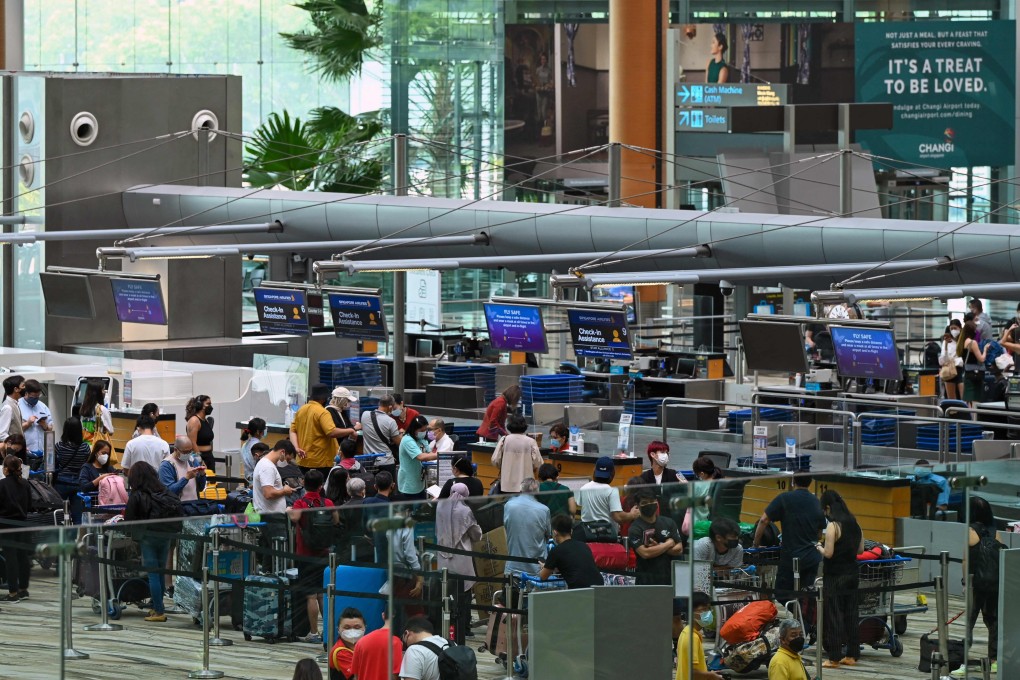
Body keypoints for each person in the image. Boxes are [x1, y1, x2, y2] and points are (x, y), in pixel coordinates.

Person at [124, 461, 182, 622]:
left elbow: (128, 519)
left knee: (153, 573)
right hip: (166, 535)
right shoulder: (165, 491)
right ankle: (159, 604)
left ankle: (158, 610)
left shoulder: (137, 495)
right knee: (161, 571)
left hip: (148, 536)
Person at [753, 475, 825, 602]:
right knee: (805, 597)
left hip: (791, 558)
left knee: (781, 595)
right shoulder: (817, 501)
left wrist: (756, 544)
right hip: (811, 558)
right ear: (810, 482)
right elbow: (819, 534)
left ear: (793, 481)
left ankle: (799, 619)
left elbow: (763, 520)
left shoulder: (784, 498)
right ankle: (803, 620)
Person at [818, 490, 864, 669]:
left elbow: (828, 553)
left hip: (835, 575)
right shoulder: (855, 523)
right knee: (852, 613)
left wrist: (818, 547)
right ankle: (852, 655)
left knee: (834, 615)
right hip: (852, 573)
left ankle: (834, 657)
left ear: (828, 508)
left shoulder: (833, 526)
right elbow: (860, 550)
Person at [289, 469, 335, 644]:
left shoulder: (300, 503)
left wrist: (288, 510)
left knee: (310, 595)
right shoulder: (328, 502)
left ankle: (314, 632)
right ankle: (328, 631)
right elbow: (336, 520)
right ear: (321, 485)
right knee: (323, 593)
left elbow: (295, 518)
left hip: (305, 554)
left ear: (303, 484)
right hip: (324, 553)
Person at [956, 495, 999, 676]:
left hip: (976, 583)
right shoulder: (996, 531)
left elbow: (966, 560)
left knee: (969, 622)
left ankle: (964, 661)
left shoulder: (970, 531)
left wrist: (965, 582)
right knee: (993, 621)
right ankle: (995, 660)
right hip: (995, 583)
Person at [436, 482, 483, 643]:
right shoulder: (465, 510)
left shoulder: (440, 506)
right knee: (464, 593)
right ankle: (464, 628)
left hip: (443, 557)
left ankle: (445, 625)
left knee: (446, 591)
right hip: (461, 558)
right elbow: (475, 534)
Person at [292, 384, 358, 478]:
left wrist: (297, 448)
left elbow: (293, 431)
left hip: (302, 459)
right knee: (320, 489)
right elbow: (331, 432)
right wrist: (351, 430)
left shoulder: (301, 410)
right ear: (323, 398)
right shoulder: (323, 412)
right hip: (320, 461)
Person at [629, 488, 684, 586]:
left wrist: (658, 546)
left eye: (652, 501)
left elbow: (679, 549)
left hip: (670, 578)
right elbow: (645, 553)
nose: (649, 504)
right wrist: (668, 543)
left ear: (656, 502)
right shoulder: (635, 528)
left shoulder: (668, 522)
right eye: (645, 502)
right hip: (646, 580)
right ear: (637, 506)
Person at [576, 456, 640, 537]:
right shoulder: (612, 491)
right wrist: (632, 515)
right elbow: (618, 517)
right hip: (606, 535)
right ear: (612, 473)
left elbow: (580, 505)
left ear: (594, 471)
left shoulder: (583, 488)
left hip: (587, 534)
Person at [0, 455, 33, 602]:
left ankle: (13, 593)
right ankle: (23, 589)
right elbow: (30, 505)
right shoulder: (25, 484)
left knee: (10, 557)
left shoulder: (2, 484)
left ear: (6, 469)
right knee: (23, 556)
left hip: (6, 524)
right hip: (23, 523)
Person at [540, 513, 602, 589]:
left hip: (579, 591)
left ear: (555, 532)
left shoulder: (556, 550)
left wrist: (544, 567)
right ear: (571, 531)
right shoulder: (584, 545)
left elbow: (543, 576)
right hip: (599, 587)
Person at [503, 478, 550, 576]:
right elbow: (548, 535)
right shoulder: (544, 510)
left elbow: (507, 528)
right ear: (537, 492)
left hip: (512, 567)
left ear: (521, 490)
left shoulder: (509, 505)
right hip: (536, 569)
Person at [676, 591, 724, 680]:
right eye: (703, 609)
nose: (708, 613)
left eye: (708, 609)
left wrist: (707, 673)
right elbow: (693, 673)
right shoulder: (692, 638)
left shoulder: (686, 632)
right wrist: (711, 676)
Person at [491, 414, 542, 494]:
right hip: (526, 485)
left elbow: (495, 460)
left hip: (507, 484)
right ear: (524, 426)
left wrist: (504, 466)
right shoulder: (531, 441)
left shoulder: (504, 440)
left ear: (509, 425)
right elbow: (538, 462)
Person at [54, 417, 92, 524]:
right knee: (77, 515)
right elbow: (87, 464)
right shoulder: (85, 447)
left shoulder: (59, 446)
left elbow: (54, 464)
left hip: (61, 482)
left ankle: (61, 536)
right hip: (78, 483)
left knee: (59, 513)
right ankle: (75, 537)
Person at [693, 517, 744, 594]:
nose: (736, 539)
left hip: (723, 587)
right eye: (733, 537)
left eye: (737, 536)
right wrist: (719, 569)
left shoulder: (738, 549)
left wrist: (711, 569)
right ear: (718, 537)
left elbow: (731, 571)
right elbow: (698, 573)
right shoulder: (703, 545)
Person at [351, 611, 403, 680]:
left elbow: (356, 676)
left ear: (383, 615)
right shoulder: (396, 642)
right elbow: (394, 676)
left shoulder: (361, 642)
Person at [397, 415, 437, 500]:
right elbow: (420, 456)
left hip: (419, 481)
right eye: (422, 430)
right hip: (409, 483)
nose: (424, 432)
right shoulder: (407, 440)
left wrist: (433, 455)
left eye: (425, 429)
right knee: (409, 510)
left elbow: (429, 453)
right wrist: (440, 454)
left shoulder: (422, 439)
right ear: (414, 429)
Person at [362, 396, 402, 479]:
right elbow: (398, 442)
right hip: (386, 462)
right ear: (390, 407)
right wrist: (401, 434)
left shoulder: (365, 415)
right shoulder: (390, 421)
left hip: (368, 462)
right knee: (387, 489)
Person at [253, 439, 296, 514]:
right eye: (288, 459)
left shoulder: (267, 464)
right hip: (271, 518)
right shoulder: (267, 467)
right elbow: (268, 494)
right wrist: (284, 491)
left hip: (272, 514)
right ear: (282, 452)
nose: (287, 463)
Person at [159, 435, 208, 500]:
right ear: (175, 450)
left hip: (194, 506)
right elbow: (169, 493)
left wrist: (202, 475)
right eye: (185, 452)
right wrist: (186, 478)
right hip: (177, 507)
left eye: (190, 451)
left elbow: (201, 488)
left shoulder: (192, 461)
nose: (188, 454)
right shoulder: (166, 465)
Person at [328, 607, 367, 680]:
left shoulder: (366, 646)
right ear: (338, 630)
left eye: (357, 627)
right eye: (347, 627)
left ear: (365, 628)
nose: (352, 631)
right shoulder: (340, 652)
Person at [957, 320, 987, 406]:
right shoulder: (972, 343)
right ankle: (975, 418)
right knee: (975, 398)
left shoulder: (962, 342)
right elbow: (981, 359)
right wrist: (985, 349)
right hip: (975, 374)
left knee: (968, 399)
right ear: (972, 331)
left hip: (967, 373)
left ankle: (970, 417)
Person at [18, 379, 52, 456]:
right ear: (26, 393)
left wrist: (45, 426)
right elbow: (13, 431)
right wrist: (28, 423)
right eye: (33, 397)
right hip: (24, 451)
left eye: (38, 396)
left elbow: (50, 429)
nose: (36, 399)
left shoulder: (43, 407)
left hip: (42, 451)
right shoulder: (17, 406)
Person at [78, 381, 114, 451]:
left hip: (84, 447)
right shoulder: (102, 409)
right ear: (98, 393)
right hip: (98, 448)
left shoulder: (83, 407)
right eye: (103, 390)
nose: (104, 392)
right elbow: (111, 431)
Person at [185, 394, 215, 471]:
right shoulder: (194, 420)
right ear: (200, 405)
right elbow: (192, 442)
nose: (210, 406)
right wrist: (200, 460)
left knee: (211, 482)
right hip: (199, 457)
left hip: (209, 456)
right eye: (208, 404)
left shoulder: (206, 420)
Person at [0, 375, 25, 450]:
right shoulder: (8, 407)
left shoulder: (15, 403)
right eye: (23, 385)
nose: (25, 388)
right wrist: (15, 444)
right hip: (13, 451)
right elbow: (1, 433)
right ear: (16, 389)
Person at [940, 321, 964, 400]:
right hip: (950, 370)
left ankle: (964, 412)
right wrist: (946, 345)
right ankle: (953, 412)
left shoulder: (963, 340)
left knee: (963, 397)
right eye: (951, 328)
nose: (953, 330)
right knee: (951, 398)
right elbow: (944, 359)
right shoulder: (946, 342)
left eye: (955, 328)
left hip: (961, 370)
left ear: (960, 328)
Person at [240, 417, 267, 485]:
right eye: (264, 429)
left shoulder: (245, 444)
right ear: (258, 431)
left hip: (248, 479)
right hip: (256, 482)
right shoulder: (259, 447)